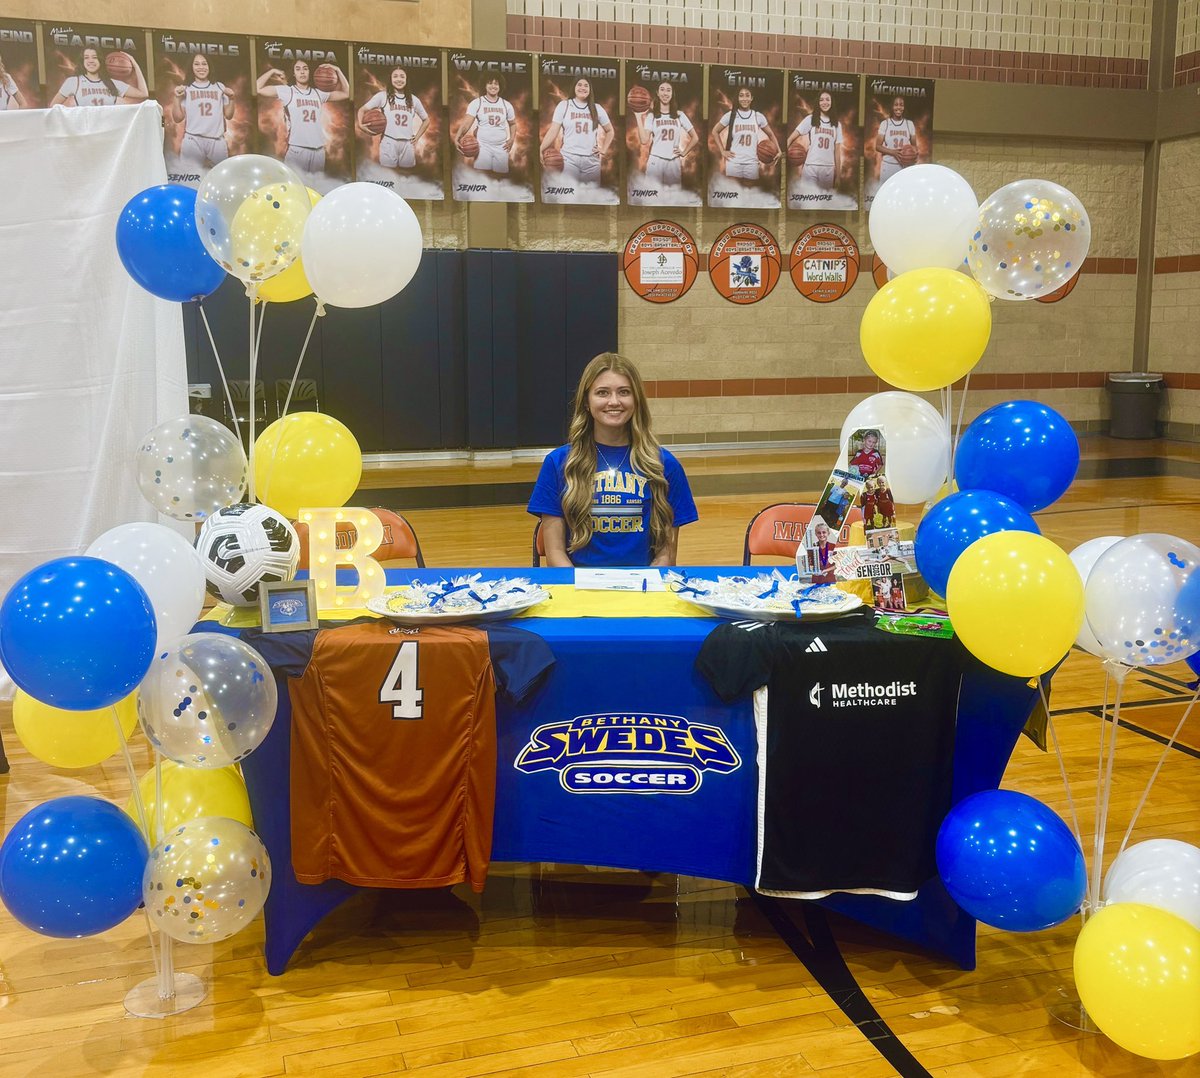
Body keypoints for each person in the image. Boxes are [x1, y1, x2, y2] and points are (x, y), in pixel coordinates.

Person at [528, 353, 697, 567]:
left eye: (624, 392)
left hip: (643, 591)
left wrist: (645, 592)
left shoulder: (664, 465)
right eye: (602, 393)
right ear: (587, 402)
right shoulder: (558, 463)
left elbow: (666, 554)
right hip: (579, 590)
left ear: (636, 400)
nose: (614, 401)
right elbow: (555, 554)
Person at [257, 58, 349, 176]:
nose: (302, 72)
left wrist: (338, 70)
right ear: (294, 74)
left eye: (305, 69)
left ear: (310, 72)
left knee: (316, 187)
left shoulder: (318, 93)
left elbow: (346, 93)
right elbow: (257, 88)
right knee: (294, 188)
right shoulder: (288, 91)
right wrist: (272, 71)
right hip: (297, 149)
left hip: (319, 151)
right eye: (298, 69)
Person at [540, 77, 614, 186]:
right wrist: (541, 148)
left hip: (591, 160)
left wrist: (603, 150)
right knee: (569, 196)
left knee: (590, 197)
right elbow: (553, 130)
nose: (582, 88)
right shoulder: (564, 106)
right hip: (569, 159)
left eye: (586, 85)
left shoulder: (597, 108)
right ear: (574, 87)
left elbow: (610, 131)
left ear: (590, 89)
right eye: (579, 84)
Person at [358, 66, 429, 171]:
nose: (399, 79)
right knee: (389, 175)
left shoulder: (414, 100)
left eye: (402, 76)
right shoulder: (382, 96)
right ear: (390, 79)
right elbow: (362, 110)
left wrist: (417, 137)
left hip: (407, 143)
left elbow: (426, 120)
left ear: (406, 79)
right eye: (395, 76)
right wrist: (360, 124)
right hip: (388, 142)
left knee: (406, 177)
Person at [172, 54, 234, 170]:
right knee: (190, 177)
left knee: (220, 176)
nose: (201, 67)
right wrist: (176, 98)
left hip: (217, 140)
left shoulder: (219, 87)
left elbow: (229, 115)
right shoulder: (186, 88)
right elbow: (178, 118)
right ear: (191, 67)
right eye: (197, 64)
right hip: (193, 139)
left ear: (209, 66)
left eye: (204, 63)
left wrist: (232, 99)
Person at [711, 87, 780, 182]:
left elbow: (771, 134)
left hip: (751, 164)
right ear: (738, 98)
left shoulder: (758, 116)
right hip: (734, 163)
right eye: (741, 95)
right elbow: (715, 131)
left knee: (749, 194)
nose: (744, 98)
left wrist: (779, 151)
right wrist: (722, 151)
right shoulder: (731, 115)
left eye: (747, 95)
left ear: (752, 98)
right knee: (733, 193)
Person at [636, 81, 696, 190]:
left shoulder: (680, 115)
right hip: (655, 159)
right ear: (657, 93)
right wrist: (638, 117)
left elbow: (695, 138)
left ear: (672, 94)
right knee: (651, 195)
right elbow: (644, 140)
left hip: (673, 160)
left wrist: (684, 152)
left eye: (668, 90)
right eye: (662, 89)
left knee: (673, 196)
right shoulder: (652, 116)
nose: (665, 93)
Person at [455, 74, 515, 176]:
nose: (493, 86)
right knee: (483, 177)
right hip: (483, 147)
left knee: (500, 178)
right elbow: (466, 123)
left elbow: (513, 123)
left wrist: (512, 139)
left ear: (500, 86)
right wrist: (458, 137)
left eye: (496, 84)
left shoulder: (506, 105)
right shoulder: (477, 103)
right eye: (490, 83)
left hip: (501, 147)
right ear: (485, 85)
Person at [51, 47, 147, 107]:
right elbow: (53, 106)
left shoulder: (112, 83)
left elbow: (143, 94)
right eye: (86, 57)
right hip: (85, 133)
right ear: (82, 62)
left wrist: (134, 63)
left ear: (100, 60)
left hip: (107, 132)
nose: (91, 61)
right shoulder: (73, 82)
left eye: (94, 57)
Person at [787, 90, 842, 194]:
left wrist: (838, 176)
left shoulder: (837, 125)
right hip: (810, 167)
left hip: (828, 169)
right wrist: (782, 152)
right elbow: (790, 138)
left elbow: (837, 151)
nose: (824, 102)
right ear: (818, 103)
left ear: (831, 102)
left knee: (823, 205)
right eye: (821, 100)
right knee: (807, 202)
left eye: (827, 99)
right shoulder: (810, 119)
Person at [875, 95, 917, 188]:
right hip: (888, 165)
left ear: (904, 107)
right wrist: (893, 152)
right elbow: (877, 146)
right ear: (892, 107)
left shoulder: (909, 124)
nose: (899, 107)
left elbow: (914, 146)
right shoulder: (885, 124)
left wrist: (913, 155)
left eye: (901, 105)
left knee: (903, 194)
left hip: (904, 167)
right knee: (885, 194)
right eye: (896, 105)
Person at [809, 520, 837, 584]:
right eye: (819, 533)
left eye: (824, 532)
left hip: (830, 580)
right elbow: (810, 565)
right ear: (816, 534)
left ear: (828, 533)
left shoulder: (833, 547)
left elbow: (837, 564)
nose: (821, 535)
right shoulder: (812, 547)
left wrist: (826, 570)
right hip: (816, 581)